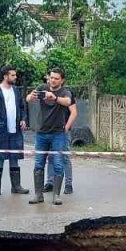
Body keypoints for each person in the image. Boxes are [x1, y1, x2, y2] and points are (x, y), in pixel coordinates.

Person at [27, 68, 73, 205]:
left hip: (58, 133)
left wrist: (55, 98)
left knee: (58, 163)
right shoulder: (42, 87)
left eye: (56, 78)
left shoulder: (64, 92)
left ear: (62, 80)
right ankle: (38, 195)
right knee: (38, 163)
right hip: (41, 133)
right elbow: (28, 98)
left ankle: (56, 195)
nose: (53, 80)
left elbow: (68, 102)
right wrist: (32, 97)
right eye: (51, 77)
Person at [0, 66, 30, 196]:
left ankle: (16, 186)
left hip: (15, 130)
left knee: (14, 157)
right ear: (5, 76)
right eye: (13, 75)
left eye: (15, 75)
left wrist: (23, 119)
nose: (15, 77)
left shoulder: (16, 90)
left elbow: (21, 107)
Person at [45, 100, 77, 194]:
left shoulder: (67, 94)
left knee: (65, 157)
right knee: (51, 157)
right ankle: (50, 183)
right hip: (50, 131)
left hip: (63, 131)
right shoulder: (47, 93)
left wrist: (66, 128)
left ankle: (68, 184)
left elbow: (74, 112)